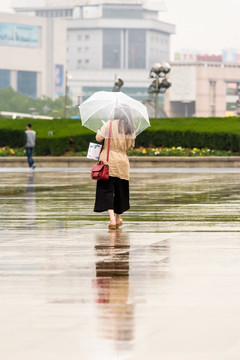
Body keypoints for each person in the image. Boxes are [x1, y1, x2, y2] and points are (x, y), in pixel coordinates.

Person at [94, 106, 135, 229]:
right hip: (122, 162)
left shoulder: (109, 125)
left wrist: (102, 128)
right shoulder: (130, 129)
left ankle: (112, 219)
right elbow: (130, 147)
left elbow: (98, 138)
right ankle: (118, 218)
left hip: (107, 162)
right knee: (120, 191)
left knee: (106, 190)